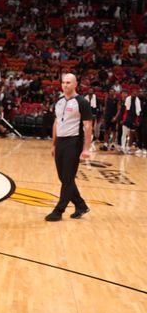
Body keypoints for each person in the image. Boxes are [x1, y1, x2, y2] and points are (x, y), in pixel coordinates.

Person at [45, 73, 92, 222]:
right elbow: (56, 123)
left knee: (68, 178)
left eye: (68, 83)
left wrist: (86, 148)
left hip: (74, 142)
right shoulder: (58, 102)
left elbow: (88, 125)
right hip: (61, 142)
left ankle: (59, 210)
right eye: (63, 82)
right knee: (63, 177)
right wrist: (53, 144)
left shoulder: (82, 102)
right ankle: (80, 205)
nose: (65, 85)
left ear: (75, 84)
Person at [120, 88, 141, 154]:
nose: (134, 94)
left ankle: (128, 147)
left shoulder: (138, 101)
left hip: (134, 120)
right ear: (131, 94)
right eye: (133, 93)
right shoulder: (127, 100)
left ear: (136, 94)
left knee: (131, 135)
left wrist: (137, 121)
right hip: (126, 119)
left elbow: (138, 112)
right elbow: (122, 111)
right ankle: (123, 147)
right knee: (124, 134)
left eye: (135, 93)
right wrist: (122, 119)